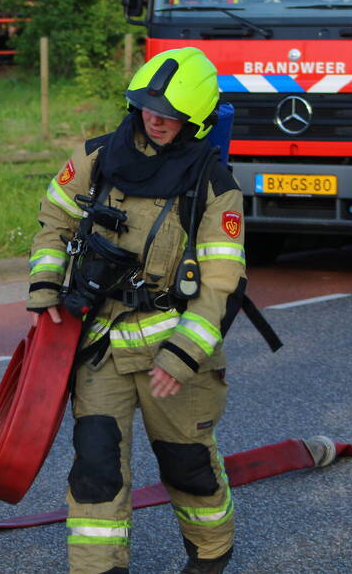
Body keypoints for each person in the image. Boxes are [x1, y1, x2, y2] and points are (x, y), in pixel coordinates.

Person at [27, 47, 245, 574]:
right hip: (100, 345)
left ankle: (211, 554)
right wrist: (43, 290)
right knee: (96, 466)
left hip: (174, 353)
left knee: (187, 465)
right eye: (148, 107)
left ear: (196, 120)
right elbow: (53, 222)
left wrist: (182, 354)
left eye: (170, 113)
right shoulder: (97, 158)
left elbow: (221, 283)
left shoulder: (214, 186)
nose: (156, 119)